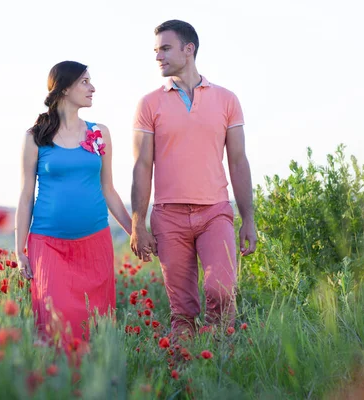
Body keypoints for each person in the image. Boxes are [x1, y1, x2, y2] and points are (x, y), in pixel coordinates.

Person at [130, 20, 258, 339]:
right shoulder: (149, 104)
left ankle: (219, 362)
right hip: (168, 216)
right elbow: (142, 166)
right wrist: (137, 223)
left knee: (221, 290)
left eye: (165, 48)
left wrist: (249, 218)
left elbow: (238, 161)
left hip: (215, 212)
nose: (158, 56)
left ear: (189, 50)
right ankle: (188, 376)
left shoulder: (227, 100)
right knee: (183, 311)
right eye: (156, 50)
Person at [15, 61, 132, 346]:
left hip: (94, 245)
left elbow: (109, 190)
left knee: (94, 325)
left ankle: (91, 385)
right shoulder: (35, 137)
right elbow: (25, 194)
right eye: (85, 81)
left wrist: (135, 232)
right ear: (65, 88)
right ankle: (57, 385)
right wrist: (19, 250)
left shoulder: (99, 133)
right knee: (56, 322)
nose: (92, 88)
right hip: (49, 245)